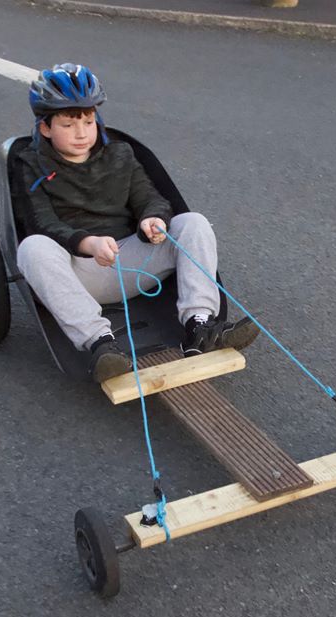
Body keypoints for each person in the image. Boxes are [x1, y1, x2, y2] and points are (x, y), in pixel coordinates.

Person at [15, 63, 259, 382]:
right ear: (46, 128)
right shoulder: (32, 165)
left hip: (132, 263)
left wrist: (153, 219)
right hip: (77, 275)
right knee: (32, 248)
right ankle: (101, 345)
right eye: (68, 124)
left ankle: (200, 325)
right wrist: (88, 244)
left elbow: (151, 197)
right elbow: (42, 223)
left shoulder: (121, 155)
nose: (81, 132)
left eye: (88, 121)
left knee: (193, 223)